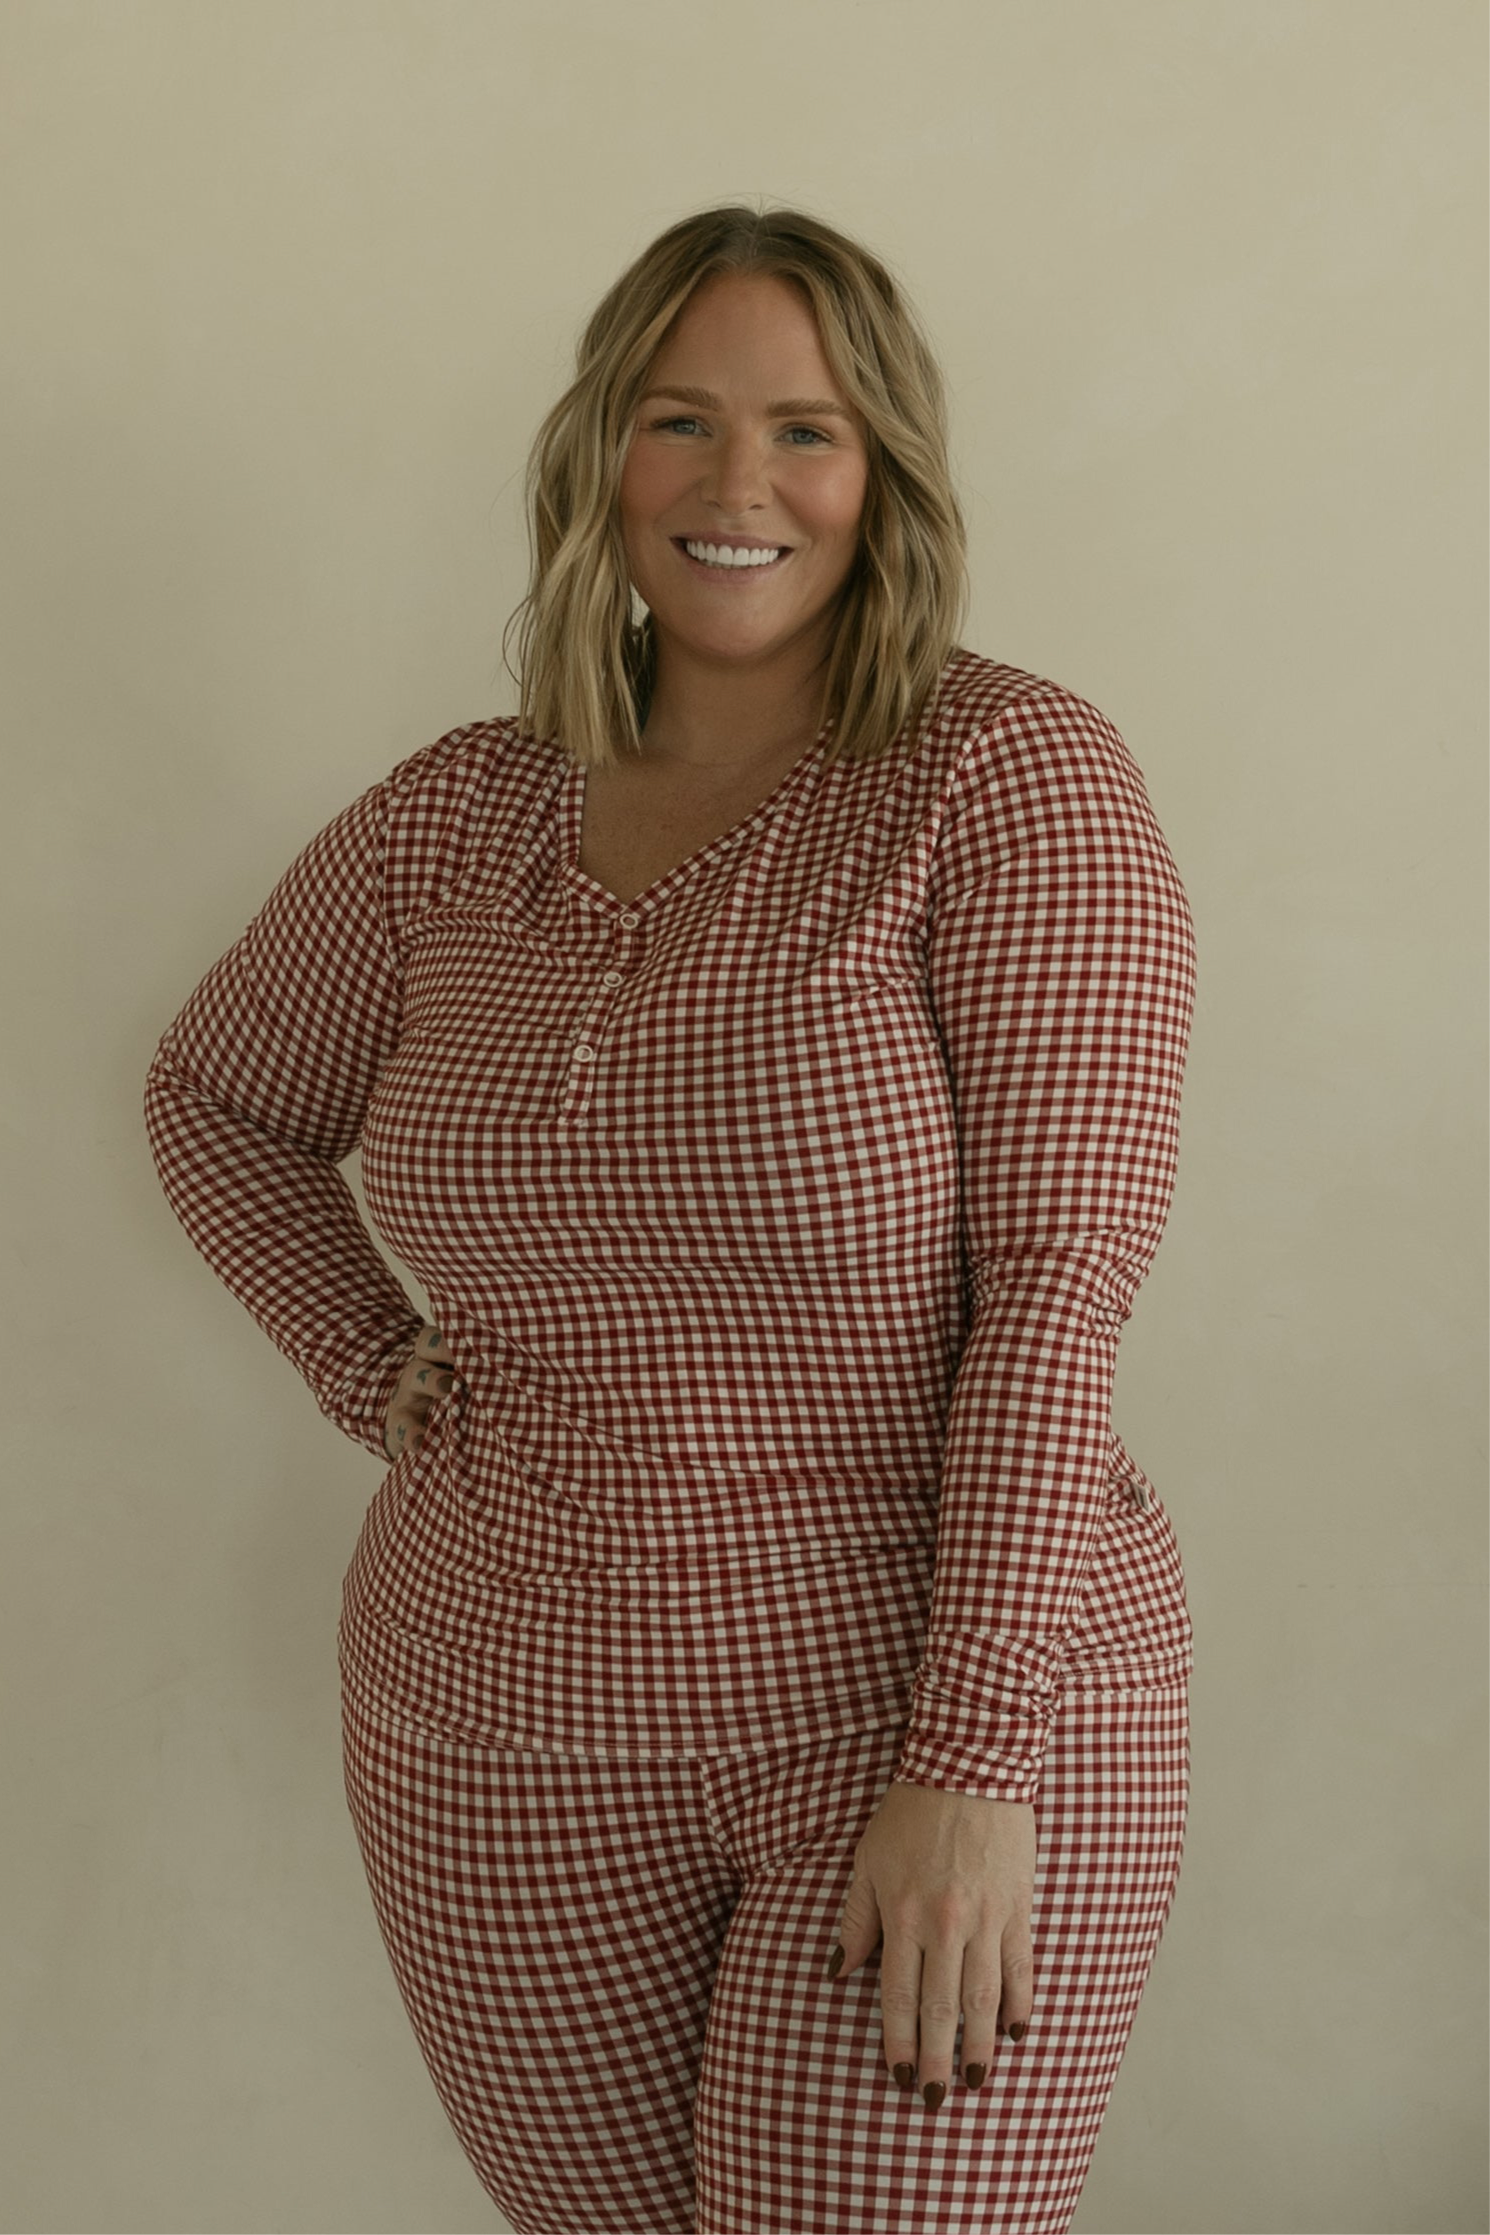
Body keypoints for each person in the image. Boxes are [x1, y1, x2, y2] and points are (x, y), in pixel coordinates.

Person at [144, 203, 1197, 2235]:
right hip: (492, 1728)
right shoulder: (457, 814)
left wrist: (973, 1751)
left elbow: (1056, 1288)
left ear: (883, 470)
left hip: (915, 1715)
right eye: (677, 420)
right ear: (592, 458)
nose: (739, 487)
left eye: (805, 429)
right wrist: (375, 1364)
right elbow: (220, 1097)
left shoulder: (1000, 778)